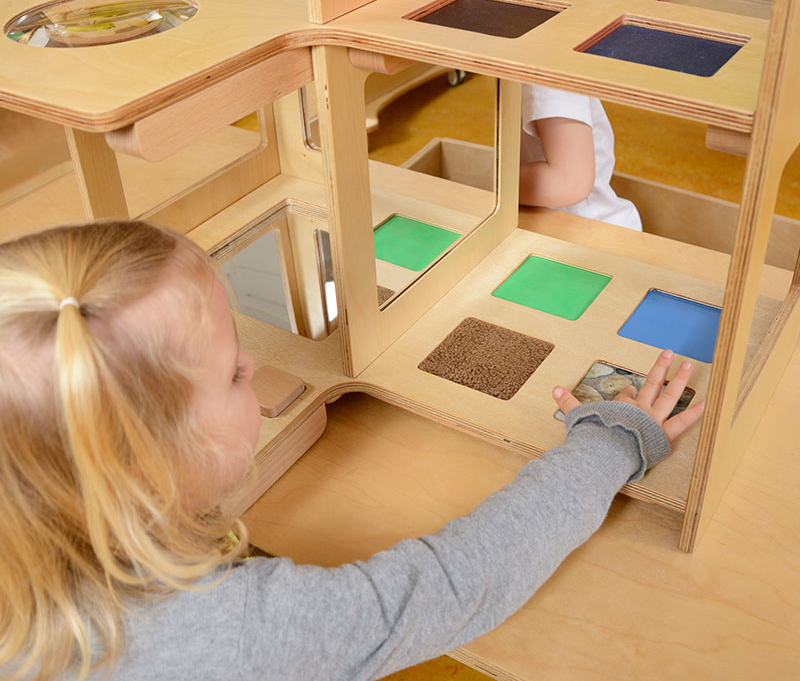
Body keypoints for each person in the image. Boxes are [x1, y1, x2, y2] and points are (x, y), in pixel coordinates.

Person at [0, 220, 703, 680]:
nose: (254, 366)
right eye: (235, 372)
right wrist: (614, 439)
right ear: (144, 470)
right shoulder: (238, 631)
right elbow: (453, 587)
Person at [519, 85, 643, 230]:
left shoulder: (548, 81)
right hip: (540, 220)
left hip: (589, 228)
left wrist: (496, 182)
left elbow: (568, 181)